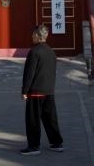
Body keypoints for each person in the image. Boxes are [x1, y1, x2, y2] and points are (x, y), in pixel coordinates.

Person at [20, 24, 63, 155]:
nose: (32, 36)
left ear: (37, 36)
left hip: (36, 91)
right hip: (49, 91)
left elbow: (29, 73)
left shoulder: (34, 52)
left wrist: (25, 91)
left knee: (33, 120)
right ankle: (56, 143)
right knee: (50, 119)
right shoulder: (51, 52)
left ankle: (34, 146)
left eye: (33, 34)